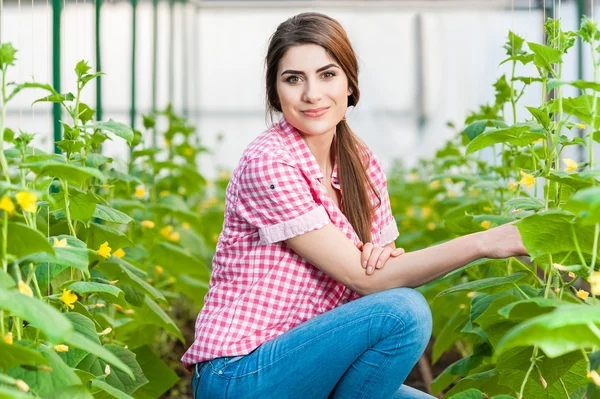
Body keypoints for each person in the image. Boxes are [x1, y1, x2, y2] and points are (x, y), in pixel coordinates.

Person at [181, 12, 528, 399]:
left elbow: (380, 276)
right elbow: (370, 282)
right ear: (275, 92)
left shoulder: (360, 164)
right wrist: (486, 242)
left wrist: (383, 263)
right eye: (293, 79)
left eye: (327, 75)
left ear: (350, 83)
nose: (312, 94)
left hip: (312, 365)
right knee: (404, 311)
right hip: (241, 375)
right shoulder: (269, 162)